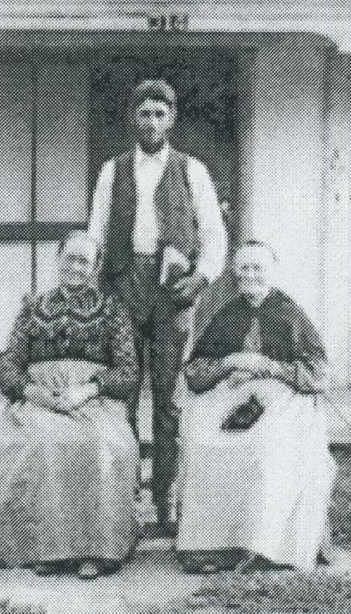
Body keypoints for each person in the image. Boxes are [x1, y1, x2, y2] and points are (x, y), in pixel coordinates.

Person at [87, 78, 227, 535]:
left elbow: (214, 234)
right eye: (144, 113)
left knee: (168, 399)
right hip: (124, 284)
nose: (151, 122)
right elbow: (96, 233)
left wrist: (200, 279)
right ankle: (121, 499)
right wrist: (96, 287)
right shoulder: (113, 170)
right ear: (134, 118)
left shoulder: (192, 171)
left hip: (172, 291)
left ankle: (164, 501)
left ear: (172, 119)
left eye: (160, 114)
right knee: (122, 394)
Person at [0, 231, 141, 580]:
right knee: (41, 442)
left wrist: (88, 389)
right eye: (69, 258)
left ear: (95, 268)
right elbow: (8, 366)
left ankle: (97, 549)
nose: (75, 267)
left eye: (84, 261)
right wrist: (33, 392)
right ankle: (46, 548)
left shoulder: (112, 311)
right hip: (39, 400)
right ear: (58, 259)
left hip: (93, 400)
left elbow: (128, 371)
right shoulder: (33, 308)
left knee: (101, 444)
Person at [176, 240, 334, 573]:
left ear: (273, 272)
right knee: (203, 439)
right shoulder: (227, 313)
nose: (250, 275)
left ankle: (264, 544)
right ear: (235, 273)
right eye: (243, 268)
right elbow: (194, 371)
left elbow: (318, 373)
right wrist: (228, 362)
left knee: (267, 443)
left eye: (257, 268)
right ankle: (212, 545)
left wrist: (269, 366)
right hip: (232, 393)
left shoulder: (290, 313)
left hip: (284, 397)